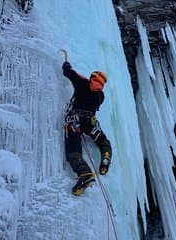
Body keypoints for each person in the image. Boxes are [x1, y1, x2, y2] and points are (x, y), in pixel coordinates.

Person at [61, 49, 112, 196]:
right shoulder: (100, 96)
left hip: (75, 120)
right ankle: (105, 158)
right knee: (102, 140)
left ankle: (85, 173)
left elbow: (69, 73)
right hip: (90, 122)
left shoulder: (82, 83)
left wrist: (66, 64)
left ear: (92, 78)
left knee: (74, 150)